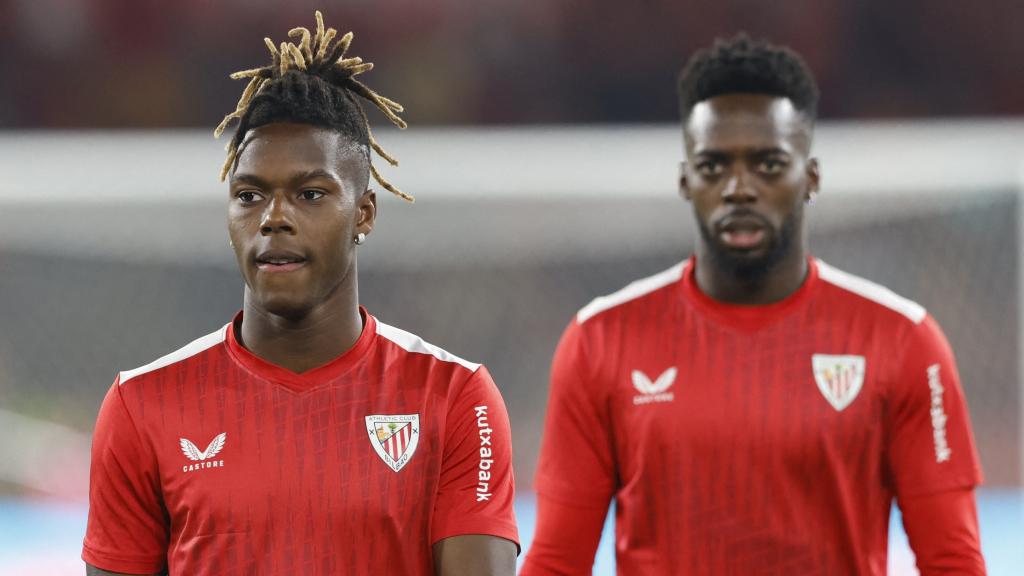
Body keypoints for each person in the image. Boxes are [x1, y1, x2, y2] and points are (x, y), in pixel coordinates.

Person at [521, 34, 985, 575]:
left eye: (767, 165)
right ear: (685, 180)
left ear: (810, 178)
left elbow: (952, 561)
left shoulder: (903, 341)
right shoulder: (599, 340)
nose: (739, 188)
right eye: (714, 167)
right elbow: (557, 561)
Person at [82, 12, 518, 576]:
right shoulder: (142, 405)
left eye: (310, 194)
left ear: (363, 213)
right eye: (249, 195)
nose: (274, 218)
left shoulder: (456, 398)